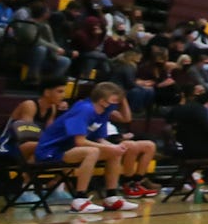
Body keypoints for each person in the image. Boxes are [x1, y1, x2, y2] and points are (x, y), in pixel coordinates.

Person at [32, 81, 134, 213]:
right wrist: (110, 148)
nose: (117, 104)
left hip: (69, 150)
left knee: (115, 152)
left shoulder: (102, 113)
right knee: (92, 151)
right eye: (115, 100)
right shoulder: (84, 109)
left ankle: (112, 197)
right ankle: (79, 200)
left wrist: (114, 148)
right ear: (103, 101)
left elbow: (100, 139)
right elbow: (80, 141)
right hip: (51, 151)